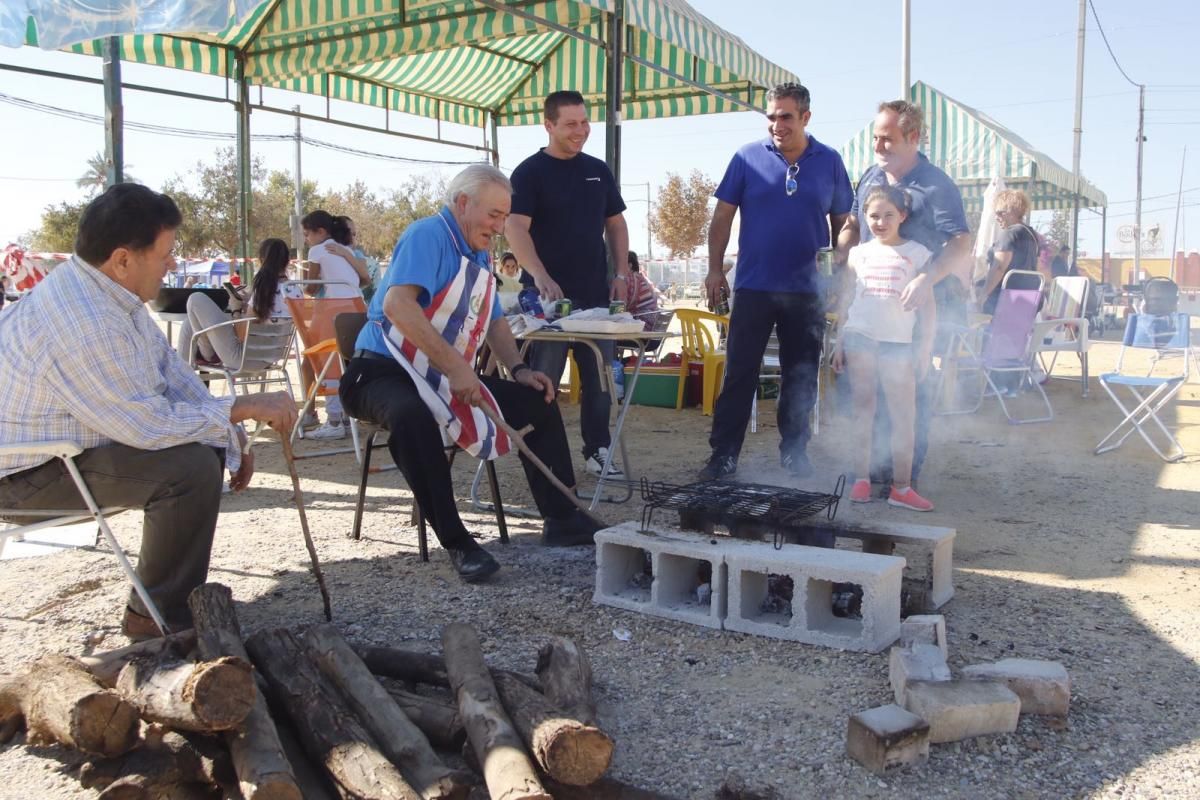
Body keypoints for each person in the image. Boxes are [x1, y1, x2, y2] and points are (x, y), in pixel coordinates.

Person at [0, 183, 296, 638]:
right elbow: (145, 424)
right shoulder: (84, 320)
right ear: (123, 259)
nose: (173, 264)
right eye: (165, 254)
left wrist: (228, 432)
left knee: (202, 446)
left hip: (66, 451)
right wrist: (241, 408)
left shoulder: (107, 294)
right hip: (24, 476)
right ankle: (157, 622)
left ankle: (165, 607)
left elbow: (171, 377)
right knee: (188, 467)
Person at [340, 164, 601, 583]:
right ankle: (457, 541)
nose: (500, 227)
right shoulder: (428, 235)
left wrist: (518, 369)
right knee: (412, 418)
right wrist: (458, 368)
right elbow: (398, 307)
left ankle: (562, 517)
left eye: (504, 216)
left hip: (439, 374)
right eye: (494, 215)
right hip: (379, 372)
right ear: (463, 204)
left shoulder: (478, 254)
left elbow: (495, 320)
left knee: (538, 399)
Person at [699, 82, 853, 480]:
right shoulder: (746, 158)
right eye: (771, 116)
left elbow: (844, 224)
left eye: (785, 116)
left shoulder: (830, 161)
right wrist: (716, 269)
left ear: (805, 117)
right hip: (753, 285)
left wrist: (840, 266)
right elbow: (722, 219)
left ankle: (795, 452)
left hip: (808, 291)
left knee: (800, 373)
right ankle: (723, 455)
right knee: (740, 372)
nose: (776, 124)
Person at [836, 100, 972, 492]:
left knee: (909, 394)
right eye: (875, 138)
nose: (878, 147)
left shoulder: (936, 184)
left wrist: (927, 278)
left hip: (917, 307)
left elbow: (961, 242)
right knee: (865, 394)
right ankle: (871, 469)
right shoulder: (869, 178)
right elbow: (851, 222)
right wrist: (842, 249)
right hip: (868, 310)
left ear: (913, 138)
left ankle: (903, 479)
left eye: (888, 139)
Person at [505, 90, 632, 477]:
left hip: (596, 295)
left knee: (599, 379)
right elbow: (514, 226)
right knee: (543, 379)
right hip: (546, 302)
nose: (580, 131)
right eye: (570, 124)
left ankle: (597, 450)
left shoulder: (598, 169)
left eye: (584, 122)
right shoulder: (529, 172)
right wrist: (540, 274)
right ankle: (542, 452)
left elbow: (616, 222)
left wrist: (622, 273)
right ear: (549, 125)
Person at [831, 186, 935, 512]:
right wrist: (838, 341)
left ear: (902, 216)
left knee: (904, 416)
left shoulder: (918, 253)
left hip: (899, 344)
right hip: (860, 338)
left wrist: (925, 348)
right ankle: (861, 479)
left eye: (888, 215)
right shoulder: (859, 253)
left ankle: (901, 487)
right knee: (864, 409)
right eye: (873, 216)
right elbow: (847, 299)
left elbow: (930, 309)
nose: (880, 222)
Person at [175, 237, 303, 366]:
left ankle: (207, 354)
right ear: (287, 261)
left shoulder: (263, 290)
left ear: (262, 260)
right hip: (271, 358)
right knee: (188, 324)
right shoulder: (296, 291)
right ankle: (188, 369)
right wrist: (249, 305)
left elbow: (240, 335)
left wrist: (236, 309)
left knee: (195, 299)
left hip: (242, 358)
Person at [299, 210, 365, 439]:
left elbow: (313, 285)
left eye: (307, 234)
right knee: (345, 362)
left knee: (328, 362)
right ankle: (346, 417)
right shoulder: (346, 250)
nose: (306, 239)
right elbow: (364, 279)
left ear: (321, 232)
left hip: (333, 310)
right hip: (356, 309)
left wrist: (298, 290)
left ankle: (334, 421)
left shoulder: (317, 250)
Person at [979, 189, 1040, 314]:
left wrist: (981, 298)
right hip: (1028, 300)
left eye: (999, 213)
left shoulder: (1009, 234)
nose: (996, 217)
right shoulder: (1031, 234)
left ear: (1012, 211)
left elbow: (999, 267)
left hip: (1005, 301)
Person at [325, 216, 382, 303]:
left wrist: (346, 253)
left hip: (353, 306)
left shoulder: (359, 256)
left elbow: (366, 278)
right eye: (347, 233)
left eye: (354, 234)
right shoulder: (324, 252)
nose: (351, 239)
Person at [622, 251, 660, 329]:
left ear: (629, 265)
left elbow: (621, 307)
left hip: (642, 325)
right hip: (652, 324)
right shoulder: (640, 278)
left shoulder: (630, 279)